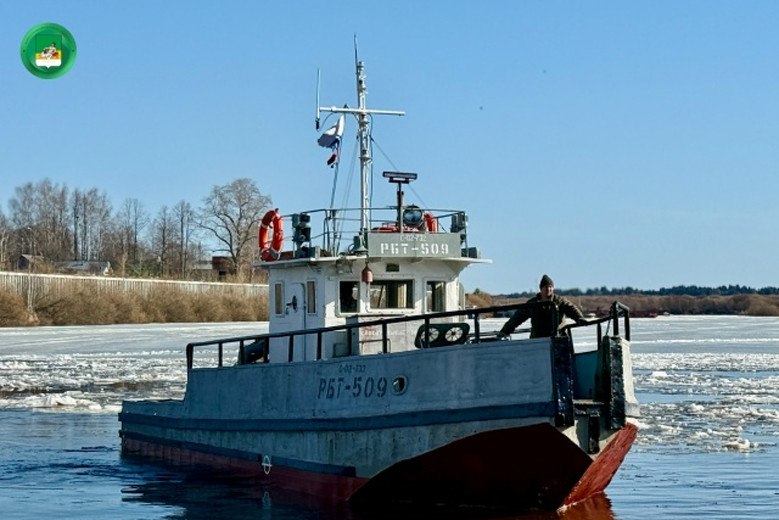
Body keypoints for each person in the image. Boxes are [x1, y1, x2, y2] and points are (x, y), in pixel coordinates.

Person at [498, 275, 588, 338]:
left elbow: (571, 308)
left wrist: (579, 318)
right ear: (541, 289)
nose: (548, 289)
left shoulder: (559, 301)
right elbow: (517, 318)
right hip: (538, 341)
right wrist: (505, 331)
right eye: (545, 287)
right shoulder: (533, 304)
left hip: (558, 338)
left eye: (550, 287)